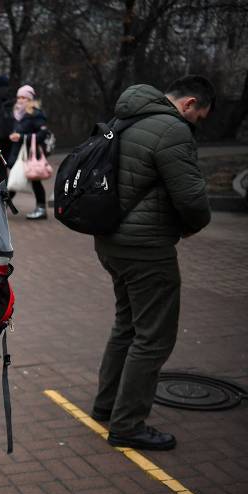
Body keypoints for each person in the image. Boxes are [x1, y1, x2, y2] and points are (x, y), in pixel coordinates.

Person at [90, 75, 214, 450]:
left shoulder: (122, 119)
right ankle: (128, 425)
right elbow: (192, 199)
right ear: (189, 104)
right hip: (146, 248)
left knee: (127, 324)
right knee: (154, 337)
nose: (196, 125)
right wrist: (194, 226)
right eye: (200, 117)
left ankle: (107, 405)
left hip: (110, 241)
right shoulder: (171, 129)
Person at [7, 84, 50, 219]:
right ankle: (0, 207)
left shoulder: (36, 114)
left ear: (30, 99)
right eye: (19, 97)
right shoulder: (19, 114)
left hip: (30, 155)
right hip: (20, 154)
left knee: (27, 181)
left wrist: (22, 137)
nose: (20, 100)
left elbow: (42, 135)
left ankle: (41, 210)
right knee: (16, 181)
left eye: (24, 97)